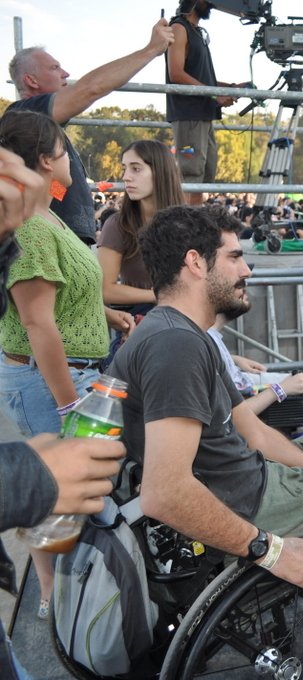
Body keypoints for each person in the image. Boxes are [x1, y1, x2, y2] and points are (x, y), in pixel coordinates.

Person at [107, 205, 303, 658]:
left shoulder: (183, 333)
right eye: (235, 257)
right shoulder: (175, 346)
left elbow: (252, 432)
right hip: (248, 507)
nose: (247, 269)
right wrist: (270, 551)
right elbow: (165, 492)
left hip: (246, 483)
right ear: (196, 263)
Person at [0, 111, 135, 619]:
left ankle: (62, 590)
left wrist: (107, 314)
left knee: (72, 489)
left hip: (64, 373)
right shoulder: (33, 228)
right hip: (48, 379)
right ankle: (56, 598)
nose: (72, 161)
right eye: (64, 151)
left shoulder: (48, 216)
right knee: (61, 490)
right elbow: (38, 324)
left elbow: (62, 296)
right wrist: (70, 403)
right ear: (43, 160)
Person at [7, 19, 174, 243]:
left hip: (61, 238)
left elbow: (44, 182)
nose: (65, 73)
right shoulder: (25, 113)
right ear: (31, 80)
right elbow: (91, 88)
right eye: (55, 68)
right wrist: (151, 49)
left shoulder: (39, 125)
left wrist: (60, 195)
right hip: (50, 242)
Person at [208, 311, 303, 437]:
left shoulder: (202, 328)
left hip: (242, 381)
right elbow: (231, 416)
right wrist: (279, 390)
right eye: (238, 286)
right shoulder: (197, 336)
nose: (244, 291)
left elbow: (212, 356)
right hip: (243, 394)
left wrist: (234, 359)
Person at [166, 0, 241, 205]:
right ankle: (182, 228)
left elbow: (202, 78)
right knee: (190, 174)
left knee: (204, 176)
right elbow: (176, 74)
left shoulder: (196, 31)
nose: (212, 4)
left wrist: (230, 87)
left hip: (203, 115)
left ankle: (194, 224)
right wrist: (215, 96)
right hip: (188, 115)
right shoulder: (179, 28)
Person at [98, 140, 186, 309]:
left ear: (160, 172)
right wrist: (158, 295)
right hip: (138, 321)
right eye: (125, 168)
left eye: (136, 169)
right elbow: (105, 289)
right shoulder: (118, 225)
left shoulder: (188, 223)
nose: (125, 177)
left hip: (187, 318)